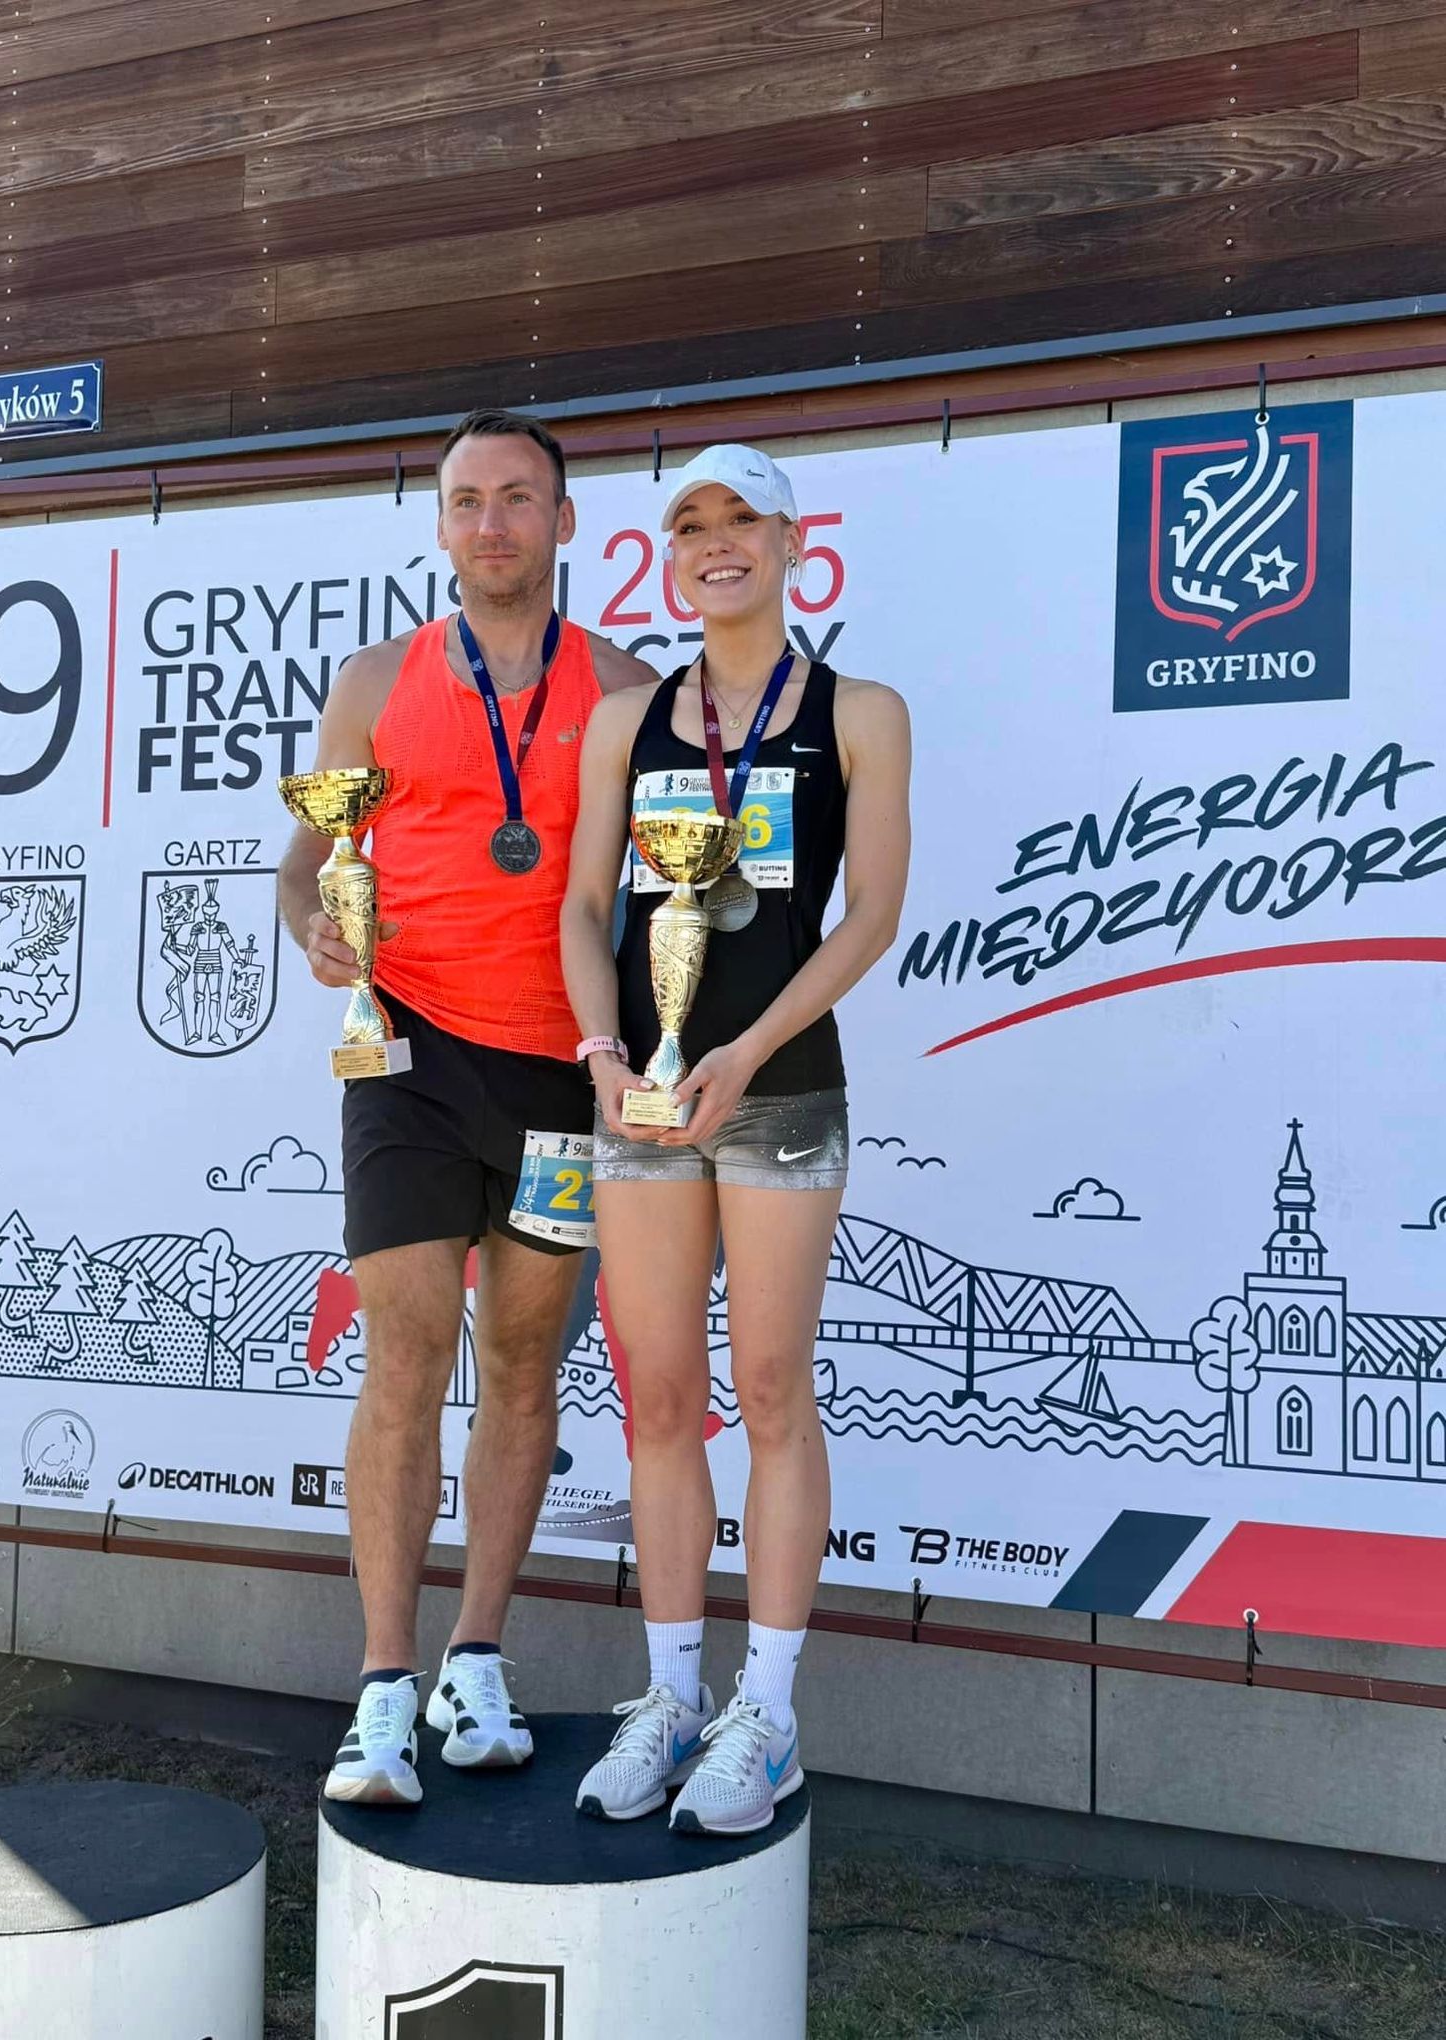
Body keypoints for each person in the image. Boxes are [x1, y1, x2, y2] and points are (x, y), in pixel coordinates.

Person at [279, 409, 655, 1806]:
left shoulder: (627, 687)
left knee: (523, 1358)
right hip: (408, 1055)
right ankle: (383, 1684)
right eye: (465, 500)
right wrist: (316, 926)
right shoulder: (376, 681)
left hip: (564, 1067)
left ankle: (474, 1658)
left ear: (564, 521)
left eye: (517, 498)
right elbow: (308, 858)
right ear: (440, 525)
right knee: (405, 1351)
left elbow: (671, 888)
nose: (490, 523)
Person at [561, 443, 912, 1835]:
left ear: (789, 543)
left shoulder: (859, 711)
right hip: (643, 1100)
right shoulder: (626, 720)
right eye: (689, 523)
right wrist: (604, 1052)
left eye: (741, 520)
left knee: (769, 1389)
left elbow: (871, 914)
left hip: (778, 1088)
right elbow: (584, 909)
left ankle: (765, 1714)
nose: (716, 543)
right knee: (655, 1399)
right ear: (666, 555)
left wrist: (747, 1049)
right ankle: (668, 1695)